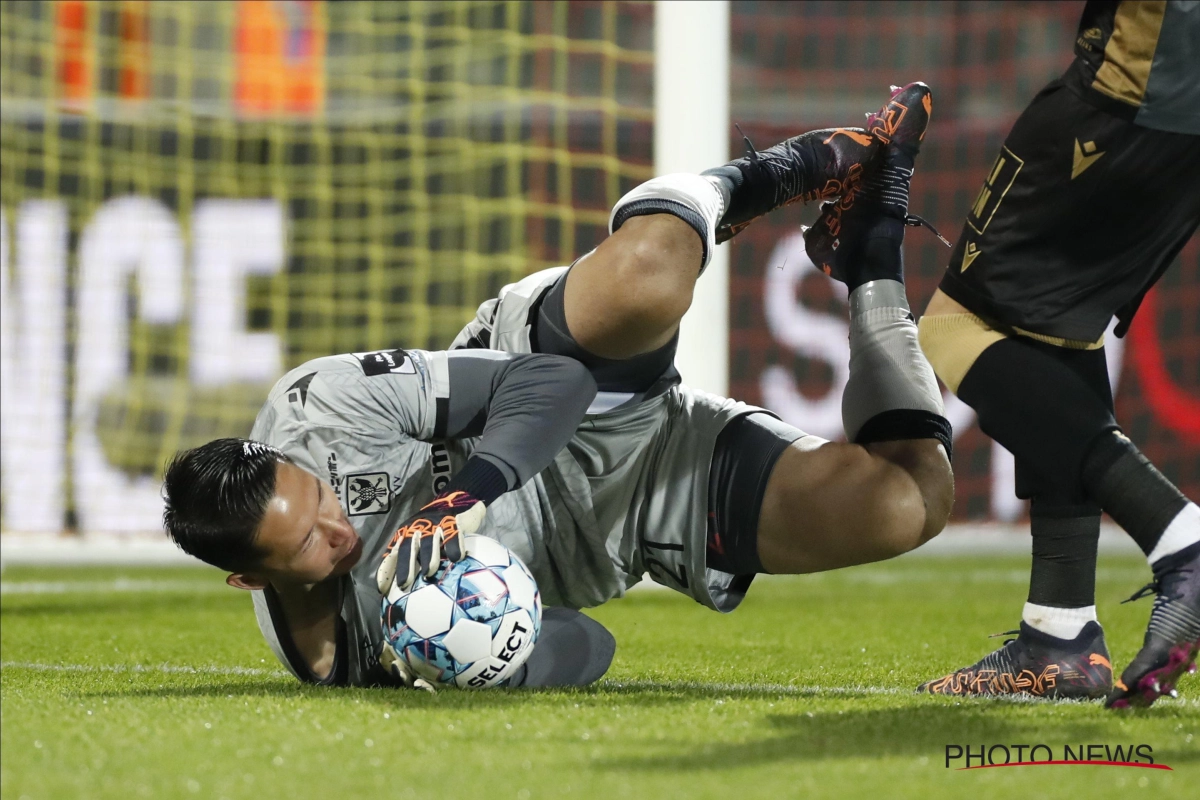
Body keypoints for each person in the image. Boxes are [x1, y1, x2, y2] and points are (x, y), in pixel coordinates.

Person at [162, 83, 955, 691]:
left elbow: (553, 382)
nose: (336, 528)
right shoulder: (348, 656)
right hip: (628, 513)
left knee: (645, 276)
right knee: (911, 504)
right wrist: (493, 656)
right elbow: (596, 648)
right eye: (306, 544)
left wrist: (462, 496)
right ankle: (870, 257)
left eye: (319, 498)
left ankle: (766, 177)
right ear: (252, 580)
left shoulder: (318, 408)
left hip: (552, 404)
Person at [915, 0, 1200, 706]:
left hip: (1135, 84)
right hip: (1181, 109)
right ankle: (1060, 637)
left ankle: (1183, 540)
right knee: (1049, 324)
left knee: (956, 328)